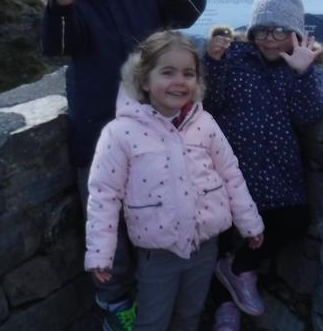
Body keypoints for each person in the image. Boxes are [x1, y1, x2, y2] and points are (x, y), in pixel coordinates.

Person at [37, 0, 207, 331]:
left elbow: (189, 14)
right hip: (98, 136)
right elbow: (56, 47)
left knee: (155, 220)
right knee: (108, 229)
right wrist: (60, 6)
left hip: (156, 130)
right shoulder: (69, 9)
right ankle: (116, 307)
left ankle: (158, 303)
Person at [85, 31, 265, 331]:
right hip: (158, 254)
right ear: (144, 80)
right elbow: (103, 196)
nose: (179, 81)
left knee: (190, 314)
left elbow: (230, 174)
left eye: (188, 73)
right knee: (152, 321)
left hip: (205, 246)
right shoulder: (120, 133)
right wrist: (101, 253)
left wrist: (250, 224)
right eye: (167, 72)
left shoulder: (205, 124)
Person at [203, 0, 323, 330]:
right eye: (262, 30)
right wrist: (213, 62)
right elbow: (212, 101)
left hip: (277, 166)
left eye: (278, 31)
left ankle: (240, 269)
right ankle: (225, 308)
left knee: (292, 219)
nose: (268, 40)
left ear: (295, 32)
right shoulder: (236, 57)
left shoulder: (302, 63)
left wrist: (303, 73)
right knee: (224, 231)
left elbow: (309, 114)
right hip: (229, 163)